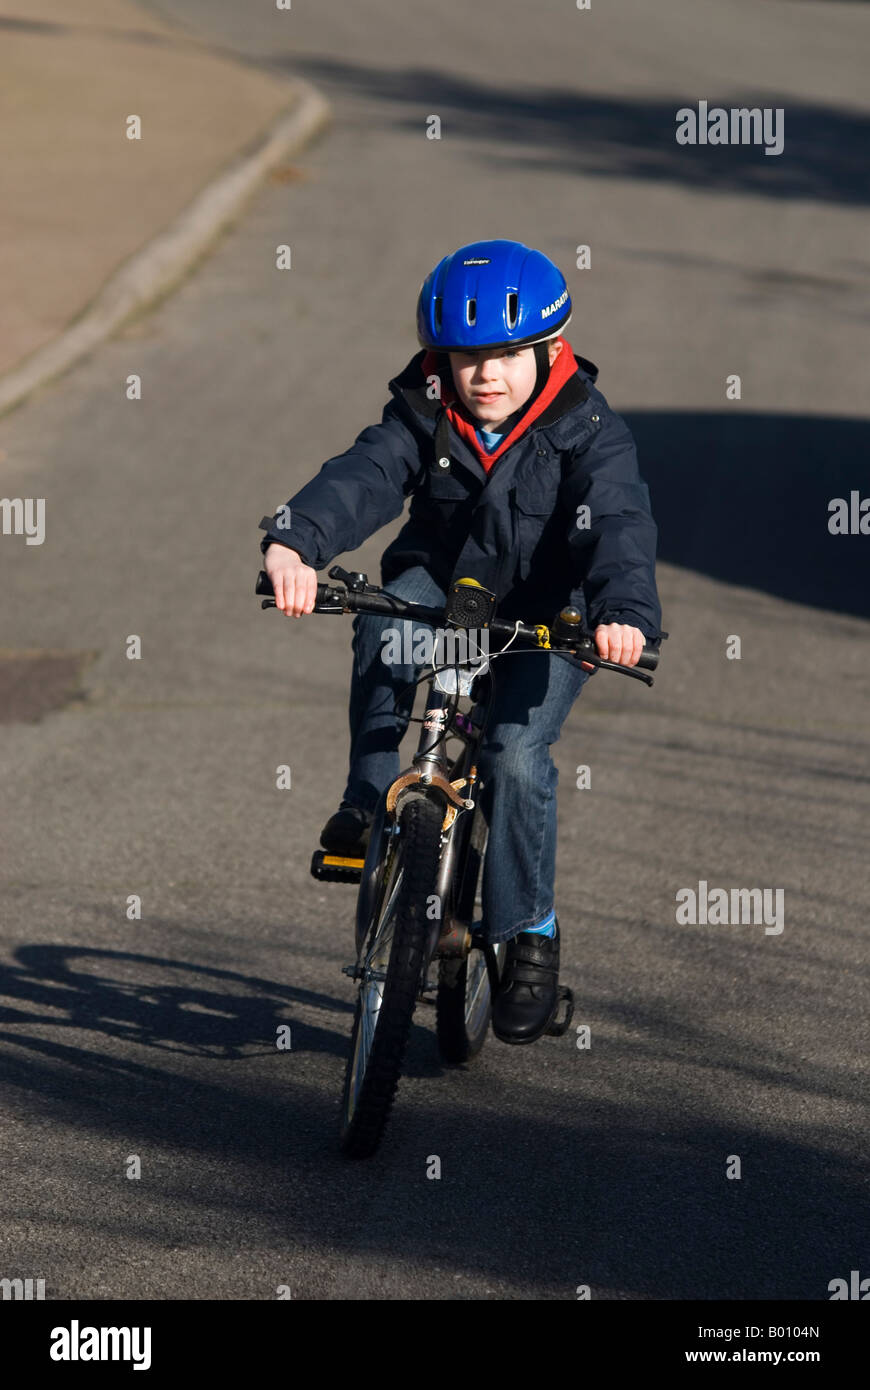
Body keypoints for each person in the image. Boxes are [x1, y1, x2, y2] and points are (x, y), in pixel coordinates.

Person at [259, 238, 662, 1044]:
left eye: (508, 354)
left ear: (552, 349)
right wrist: (296, 540)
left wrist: (623, 610)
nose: (487, 375)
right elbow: (366, 474)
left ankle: (529, 935)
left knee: (515, 754)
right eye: (467, 356)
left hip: (553, 615)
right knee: (382, 622)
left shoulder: (589, 431)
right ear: (440, 356)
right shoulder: (427, 409)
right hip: (440, 591)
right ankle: (368, 802)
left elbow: (618, 521)